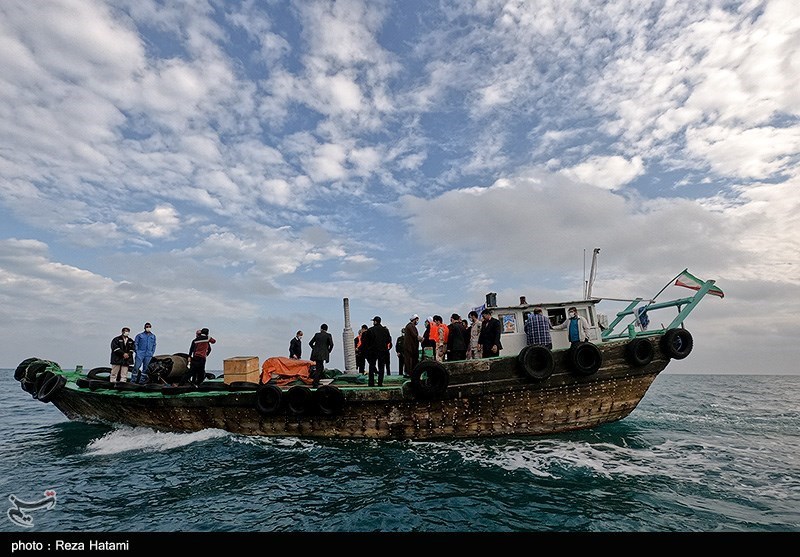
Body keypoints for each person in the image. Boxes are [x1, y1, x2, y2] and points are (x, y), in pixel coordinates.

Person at [363, 316, 391, 387]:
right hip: (382, 351)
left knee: (372, 366)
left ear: (375, 322)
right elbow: (389, 340)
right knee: (381, 367)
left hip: (373, 351)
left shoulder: (370, 330)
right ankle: (380, 383)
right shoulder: (385, 330)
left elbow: (366, 342)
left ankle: (371, 383)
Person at [308, 323, 334, 388]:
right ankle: (315, 383)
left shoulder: (317, 335)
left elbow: (310, 343)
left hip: (316, 354)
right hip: (323, 354)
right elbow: (331, 344)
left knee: (320, 367)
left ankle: (317, 380)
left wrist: (314, 349)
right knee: (319, 368)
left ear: (321, 329)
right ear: (327, 329)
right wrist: (328, 351)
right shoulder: (328, 335)